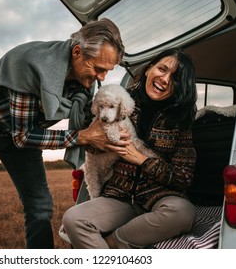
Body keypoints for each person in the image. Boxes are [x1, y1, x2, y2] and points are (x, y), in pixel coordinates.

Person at [0, 18, 126, 249]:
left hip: (21, 132)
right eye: (99, 69)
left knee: (40, 207)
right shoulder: (28, 64)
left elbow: (87, 121)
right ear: (77, 51)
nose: (101, 78)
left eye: (107, 71)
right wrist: (82, 137)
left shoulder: (85, 77)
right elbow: (23, 137)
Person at [62, 48, 198, 248]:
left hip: (159, 197)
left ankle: (114, 243)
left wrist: (141, 159)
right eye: (162, 69)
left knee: (183, 213)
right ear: (149, 68)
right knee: (73, 219)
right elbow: (94, 150)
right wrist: (102, 142)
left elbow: (183, 177)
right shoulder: (115, 99)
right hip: (120, 197)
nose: (165, 79)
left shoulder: (180, 121)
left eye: (175, 78)